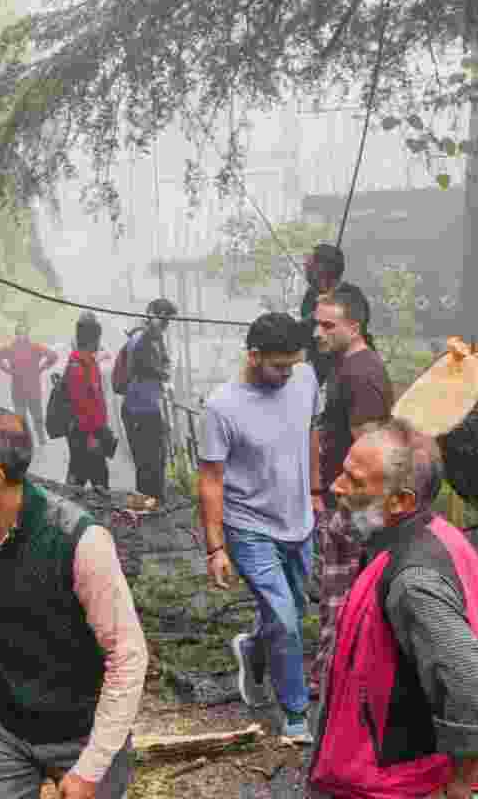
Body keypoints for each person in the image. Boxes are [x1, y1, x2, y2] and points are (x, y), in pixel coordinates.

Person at [0, 406, 147, 799]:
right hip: (1, 727)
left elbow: (127, 656)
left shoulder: (79, 540)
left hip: (81, 731)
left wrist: (91, 768)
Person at [309, 418, 478, 799]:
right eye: (343, 472)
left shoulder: (413, 581)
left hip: (401, 781)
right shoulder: (433, 532)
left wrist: (456, 788)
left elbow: (471, 693)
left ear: (401, 500)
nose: (336, 486)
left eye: (355, 481)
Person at [199, 313, 322, 743]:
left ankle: (252, 649)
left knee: (291, 611)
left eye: (293, 365)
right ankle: (294, 713)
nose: (288, 374)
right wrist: (216, 548)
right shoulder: (222, 406)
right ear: (253, 356)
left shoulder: (305, 379)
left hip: (299, 521)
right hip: (249, 526)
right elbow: (211, 479)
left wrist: (316, 490)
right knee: (286, 619)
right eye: (279, 367)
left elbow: (310, 432)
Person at [310, 289, 395, 700]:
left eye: (328, 325)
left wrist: (360, 512)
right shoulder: (344, 367)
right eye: (317, 323)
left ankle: (334, 692)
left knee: (342, 604)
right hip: (340, 500)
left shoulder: (363, 372)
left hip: (355, 506)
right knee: (335, 601)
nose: (317, 332)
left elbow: (370, 451)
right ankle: (336, 686)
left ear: (355, 326)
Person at [122, 299, 176, 510]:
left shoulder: (157, 339)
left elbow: (165, 363)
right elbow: (148, 366)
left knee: (158, 457)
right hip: (138, 409)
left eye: (167, 321)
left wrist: (163, 369)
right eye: (162, 318)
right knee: (146, 462)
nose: (165, 324)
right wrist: (161, 371)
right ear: (151, 314)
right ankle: (143, 508)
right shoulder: (140, 338)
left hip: (152, 407)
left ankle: (155, 505)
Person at [298, 244, 374, 386]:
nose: (305, 265)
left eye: (310, 261)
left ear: (320, 268)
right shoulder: (311, 296)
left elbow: (346, 341)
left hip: (349, 373)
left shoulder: (352, 297)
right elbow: (305, 336)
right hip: (320, 371)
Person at [64, 312, 112, 494]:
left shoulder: (88, 362)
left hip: (91, 432)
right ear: (93, 339)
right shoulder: (78, 365)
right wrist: (92, 436)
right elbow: (80, 405)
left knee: (84, 478)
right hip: (86, 434)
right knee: (88, 482)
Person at [0, 322, 59, 444]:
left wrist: (42, 368)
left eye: (24, 333)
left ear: (28, 334)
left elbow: (53, 356)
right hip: (17, 390)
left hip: (33, 389)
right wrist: (8, 370)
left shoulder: (35, 347)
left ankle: (41, 440)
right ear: (16, 334)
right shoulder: (9, 348)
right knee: (21, 419)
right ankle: (27, 443)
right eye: (19, 333)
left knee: (38, 417)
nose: (21, 336)